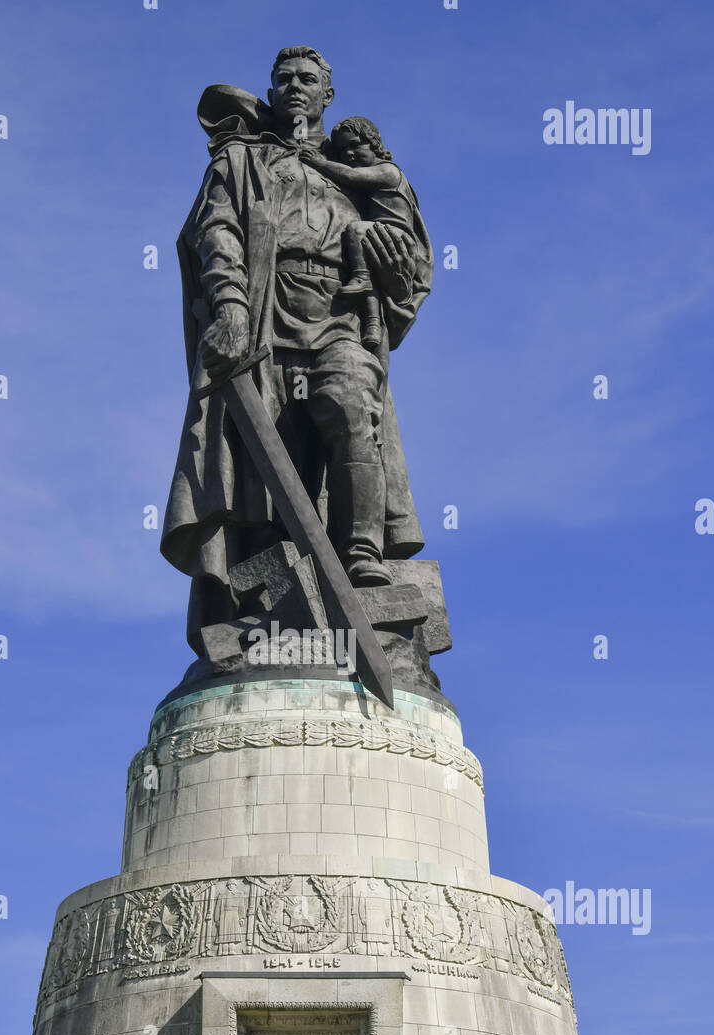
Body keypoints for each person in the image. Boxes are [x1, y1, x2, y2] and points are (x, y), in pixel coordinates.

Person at [162, 45, 434, 647]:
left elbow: (409, 259)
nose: (294, 86)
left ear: (326, 94)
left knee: (349, 404)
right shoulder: (241, 160)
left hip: (339, 313)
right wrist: (230, 304)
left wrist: (391, 261)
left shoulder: (357, 169)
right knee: (268, 456)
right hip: (265, 315)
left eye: (307, 79)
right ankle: (272, 589)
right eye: (283, 78)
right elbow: (217, 233)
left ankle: (361, 552)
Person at [300, 116, 420, 351]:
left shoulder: (388, 171)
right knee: (370, 283)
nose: (349, 154)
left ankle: (361, 275)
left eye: (355, 145)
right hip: (378, 236)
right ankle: (373, 325)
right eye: (343, 149)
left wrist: (320, 163)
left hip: (395, 236)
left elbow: (351, 176)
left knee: (356, 229)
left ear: (373, 143)